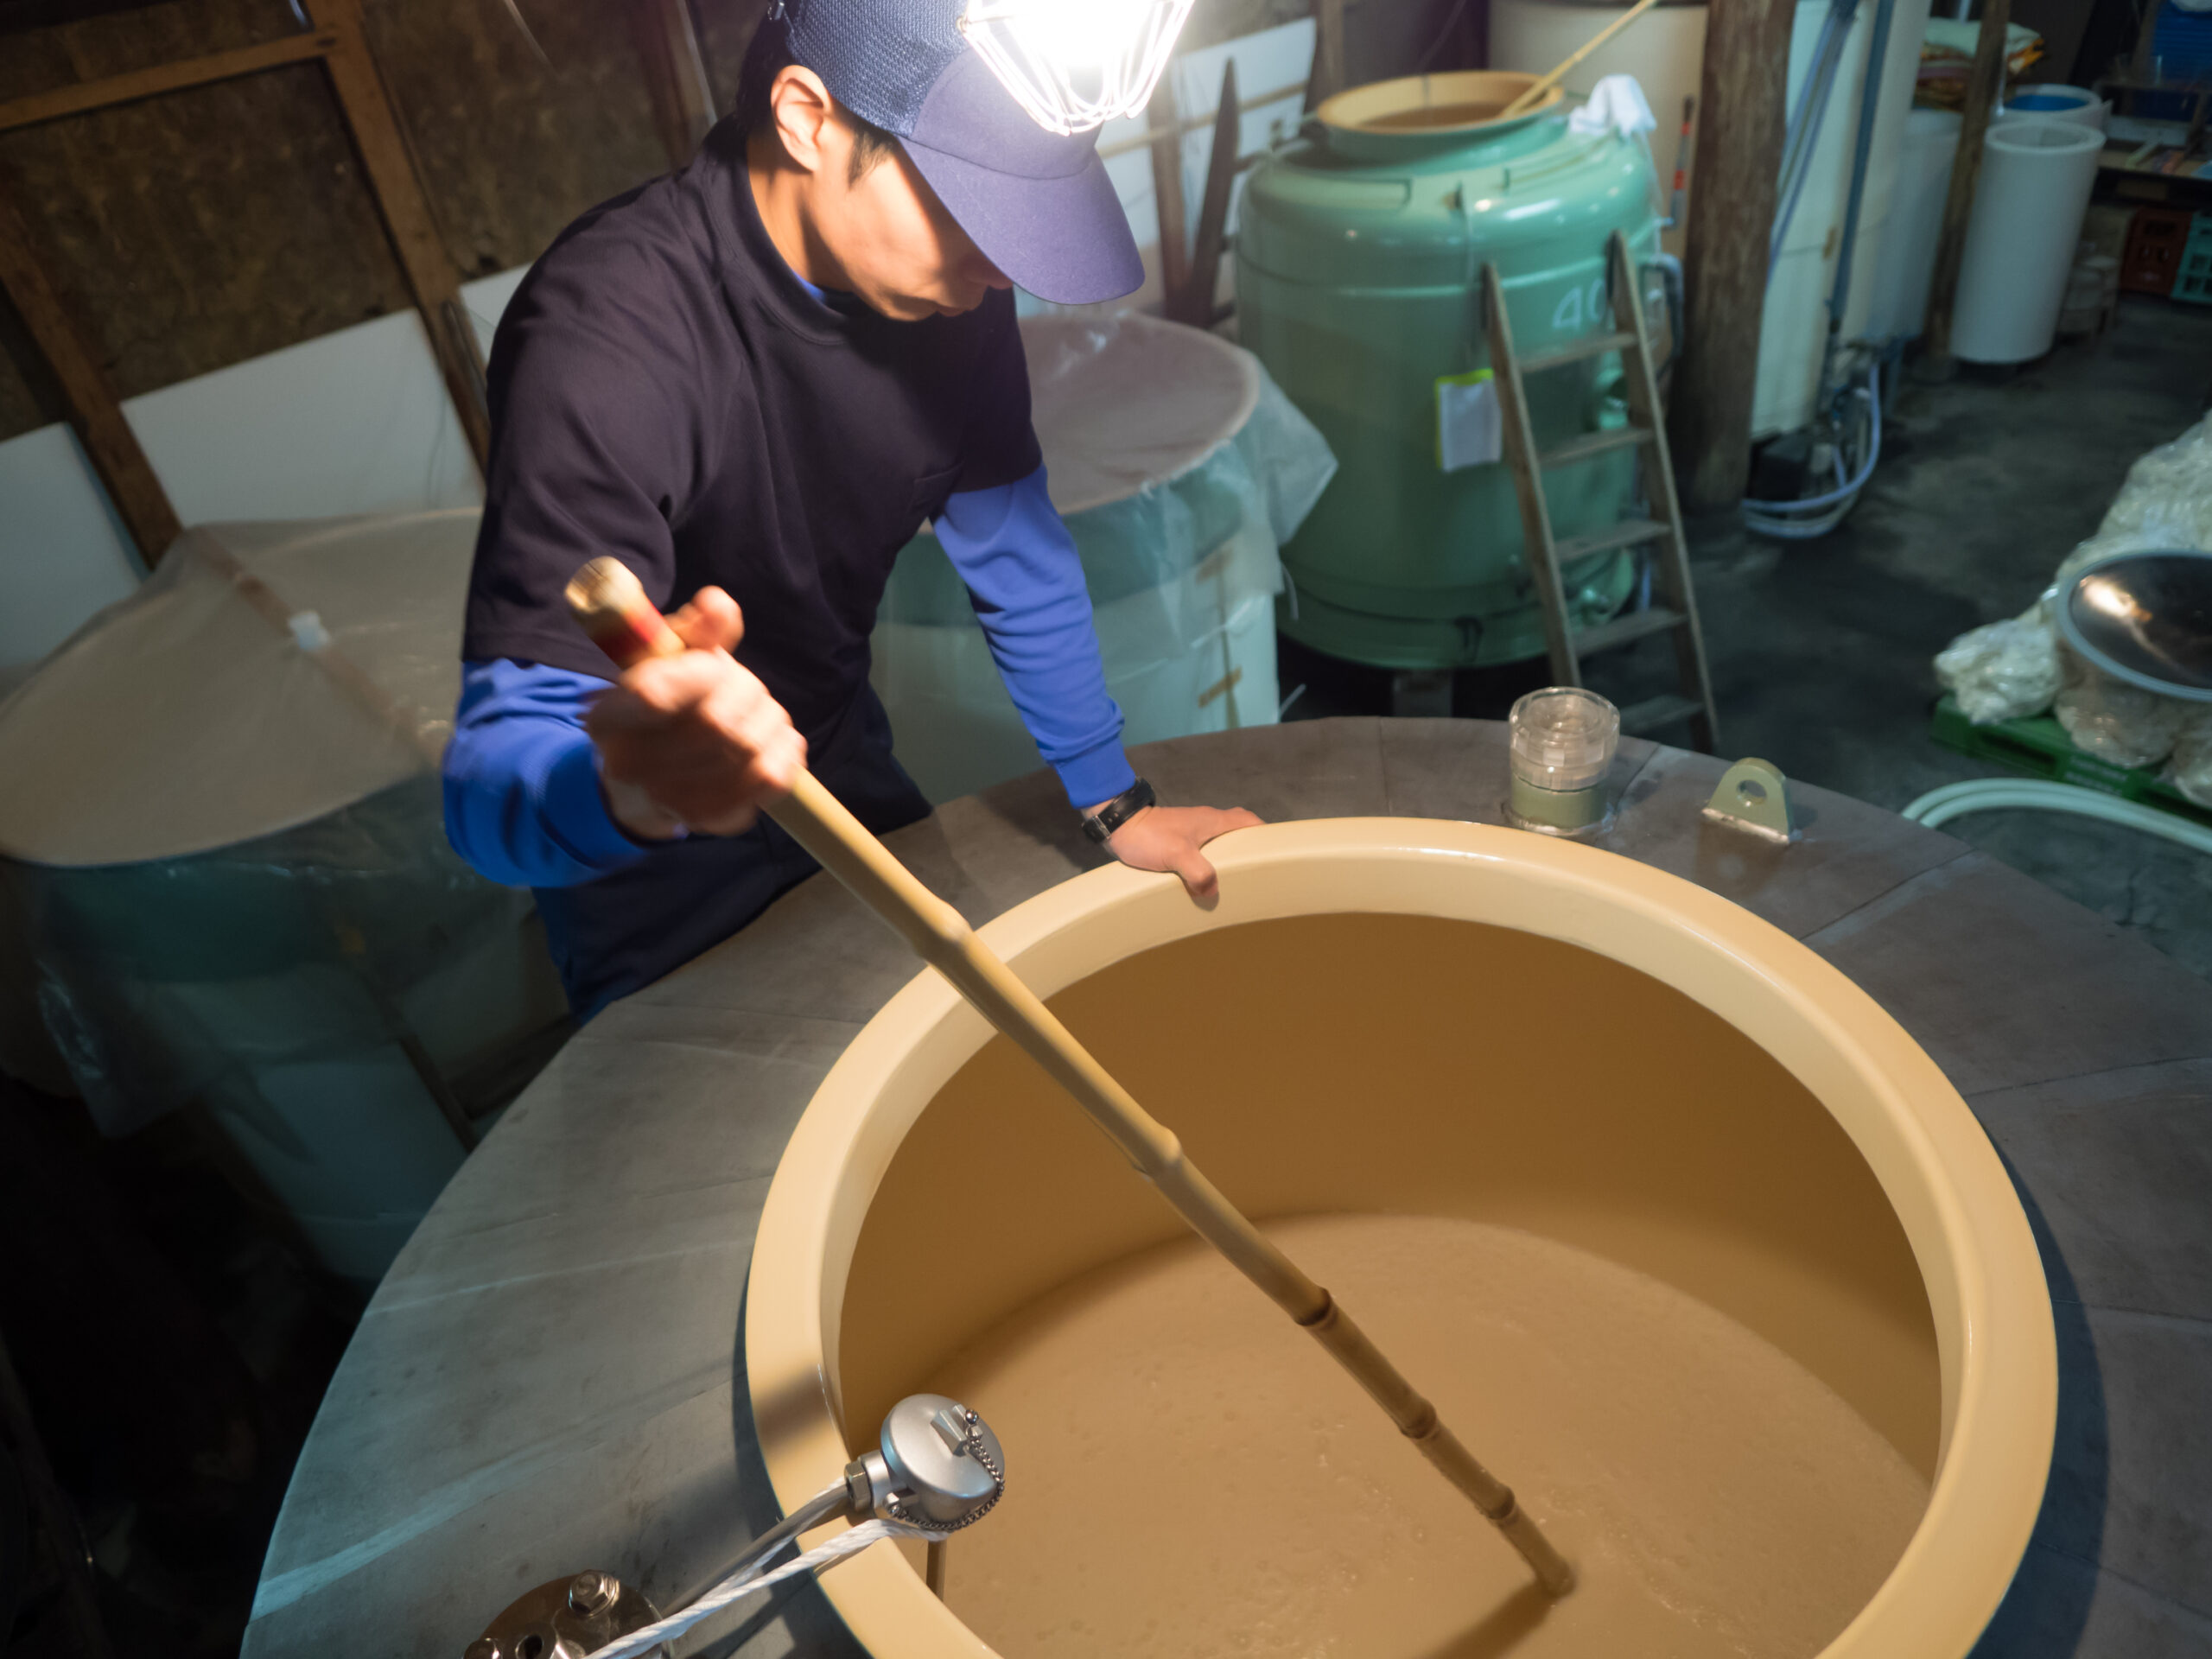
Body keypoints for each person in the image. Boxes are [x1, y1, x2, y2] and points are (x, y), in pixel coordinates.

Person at [442, 0, 1259, 1021]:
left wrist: (1113, 800)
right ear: (805, 115)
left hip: (839, 763)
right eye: (970, 205)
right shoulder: (606, 337)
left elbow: (1016, 551)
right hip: (650, 864)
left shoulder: (952, 295)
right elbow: (483, 790)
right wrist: (632, 783)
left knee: (974, 1054)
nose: (1000, 265)